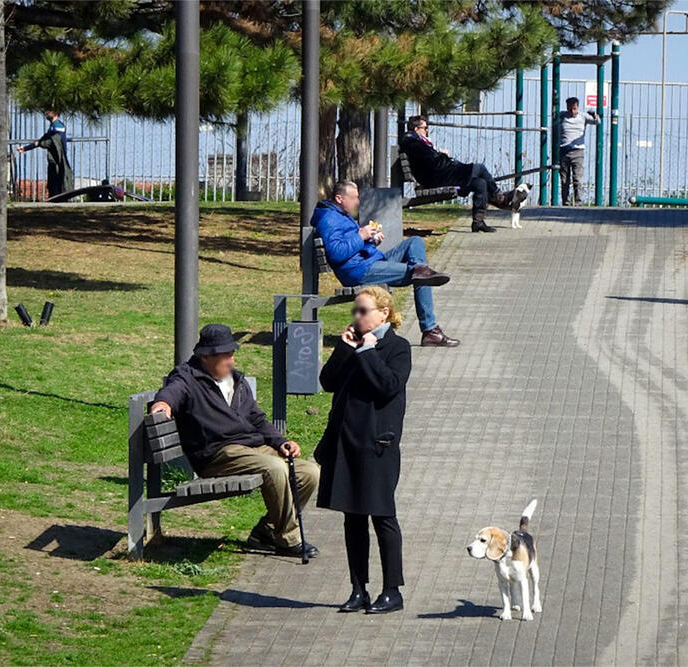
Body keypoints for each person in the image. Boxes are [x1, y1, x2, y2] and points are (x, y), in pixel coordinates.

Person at [149, 324, 320, 558]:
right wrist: (163, 406)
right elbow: (172, 392)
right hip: (218, 453)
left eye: (232, 354)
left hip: (252, 448)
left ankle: (267, 531)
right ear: (206, 356)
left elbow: (257, 418)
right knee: (275, 468)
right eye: (225, 355)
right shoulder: (187, 377)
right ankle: (288, 539)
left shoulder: (235, 380)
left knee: (309, 472)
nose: (231, 360)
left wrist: (280, 442)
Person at [315, 287, 411, 615]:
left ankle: (392, 591)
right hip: (346, 444)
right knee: (352, 517)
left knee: (382, 516)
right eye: (355, 312)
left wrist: (367, 353)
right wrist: (344, 348)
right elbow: (327, 381)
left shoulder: (397, 348)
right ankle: (359, 589)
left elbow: (387, 387)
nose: (357, 317)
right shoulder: (353, 345)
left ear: (383, 313)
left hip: (377, 446)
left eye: (363, 311)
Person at [312, 179, 460, 348]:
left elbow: (352, 247)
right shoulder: (329, 219)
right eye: (354, 198)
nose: (358, 202)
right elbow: (337, 253)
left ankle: (420, 270)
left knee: (415, 243)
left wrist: (371, 241)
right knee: (420, 276)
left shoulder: (341, 216)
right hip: (359, 270)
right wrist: (361, 235)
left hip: (368, 261)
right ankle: (430, 330)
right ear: (339, 199)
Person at [401, 115, 523, 233]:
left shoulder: (418, 142)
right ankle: (501, 198)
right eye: (425, 128)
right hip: (439, 178)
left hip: (442, 175)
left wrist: (441, 155)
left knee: (480, 183)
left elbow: (431, 160)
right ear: (416, 129)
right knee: (479, 168)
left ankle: (478, 222)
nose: (427, 131)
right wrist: (443, 155)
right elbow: (433, 162)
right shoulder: (414, 143)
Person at [17, 110, 74, 198]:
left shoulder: (58, 126)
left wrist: (40, 143)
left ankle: (60, 200)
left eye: (49, 111)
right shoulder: (52, 127)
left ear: (55, 113)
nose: (46, 113)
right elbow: (42, 140)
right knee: (52, 181)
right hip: (52, 159)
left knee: (58, 181)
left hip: (58, 159)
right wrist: (26, 148)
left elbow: (52, 142)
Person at [558, 97, 599, 206]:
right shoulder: (562, 115)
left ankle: (578, 202)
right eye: (570, 109)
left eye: (574, 108)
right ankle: (565, 202)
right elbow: (554, 116)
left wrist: (594, 115)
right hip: (564, 151)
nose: (572, 111)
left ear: (578, 107)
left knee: (577, 178)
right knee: (564, 179)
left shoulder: (583, 116)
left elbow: (597, 122)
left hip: (578, 151)